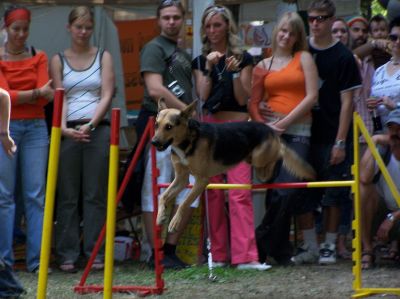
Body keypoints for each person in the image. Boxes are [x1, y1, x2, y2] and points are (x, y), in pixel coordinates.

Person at [192, 5, 269, 271]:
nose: (213, 31)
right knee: (213, 193)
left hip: (236, 128)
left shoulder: (244, 57)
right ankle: (220, 255)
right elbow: (202, 96)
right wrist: (210, 68)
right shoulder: (201, 60)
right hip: (210, 130)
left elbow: (242, 99)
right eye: (209, 26)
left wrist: (234, 72)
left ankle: (246, 257)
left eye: (217, 25)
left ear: (227, 27)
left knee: (239, 192)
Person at [291, 0, 361, 265]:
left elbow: (348, 103)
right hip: (302, 133)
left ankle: (329, 245)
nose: (316, 23)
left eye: (321, 18)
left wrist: (340, 142)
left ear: (333, 20)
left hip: (333, 133)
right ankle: (309, 245)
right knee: (301, 191)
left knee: (334, 191)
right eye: (311, 19)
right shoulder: (300, 51)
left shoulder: (344, 56)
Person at [248, 11, 318, 265]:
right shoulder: (262, 66)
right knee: (274, 192)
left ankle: (261, 240)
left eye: (292, 32)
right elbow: (253, 104)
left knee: (286, 191)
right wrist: (264, 124)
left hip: (298, 131)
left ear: (298, 36)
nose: (286, 36)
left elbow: (312, 97)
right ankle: (280, 250)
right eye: (283, 30)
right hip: (269, 135)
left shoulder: (305, 58)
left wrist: (284, 122)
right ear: (276, 31)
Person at [50, 6, 115, 273]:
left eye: (88, 27)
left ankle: (95, 252)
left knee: (95, 194)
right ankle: (66, 253)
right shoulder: (58, 59)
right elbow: (59, 96)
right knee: (66, 195)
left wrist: (91, 124)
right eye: (78, 27)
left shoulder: (104, 56)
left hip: (97, 129)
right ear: (69, 28)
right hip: (67, 130)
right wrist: (64, 128)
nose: (83, 32)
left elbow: (107, 94)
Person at [138, 0, 199, 269]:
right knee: (157, 187)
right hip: (161, 126)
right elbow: (155, 90)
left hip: (185, 132)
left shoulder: (181, 52)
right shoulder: (154, 48)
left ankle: (170, 249)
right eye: (166, 17)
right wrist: (185, 114)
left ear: (183, 20)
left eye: (176, 17)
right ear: (158, 20)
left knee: (190, 186)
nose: (172, 22)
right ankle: (156, 252)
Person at [0, 5, 54, 273]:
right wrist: (34, 93)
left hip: (35, 128)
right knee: (5, 196)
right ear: (5, 28)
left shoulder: (39, 55)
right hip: (4, 128)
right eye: (15, 29)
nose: (20, 34)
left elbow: (48, 94)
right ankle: (5, 262)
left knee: (35, 195)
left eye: (25, 29)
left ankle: (37, 262)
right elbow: (4, 96)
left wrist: (22, 94)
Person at [360, 109, 400, 269]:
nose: (395, 133)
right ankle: (367, 249)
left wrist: (393, 218)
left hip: (395, 217)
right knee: (363, 190)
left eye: (399, 128)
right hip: (387, 212)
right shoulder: (383, 150)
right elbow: (363, 178)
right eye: (392, 128)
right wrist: (374, 140)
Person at [367, 16, 400, 129]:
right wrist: (371, 104)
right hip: (382, 133)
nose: (398, 41)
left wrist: (396, 106)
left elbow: (394, 106)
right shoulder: (379, 71)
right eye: (394, 37)